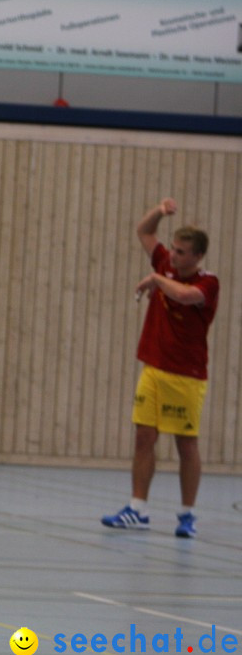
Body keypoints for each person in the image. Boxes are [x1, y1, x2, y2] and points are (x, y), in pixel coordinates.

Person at [102, 198, 218, 539]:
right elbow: (144, 231)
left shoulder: (209, 283)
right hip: (154, 369)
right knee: (143, 437)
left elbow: (185, 295)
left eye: (182, 252)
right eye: (175, 250)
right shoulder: (164, 263)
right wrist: (159, 211)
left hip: (186, 376)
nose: (175, 255)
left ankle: (187, 514)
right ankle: (138, 508)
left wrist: (155, 278)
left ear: (197, 257)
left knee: (186, 443)